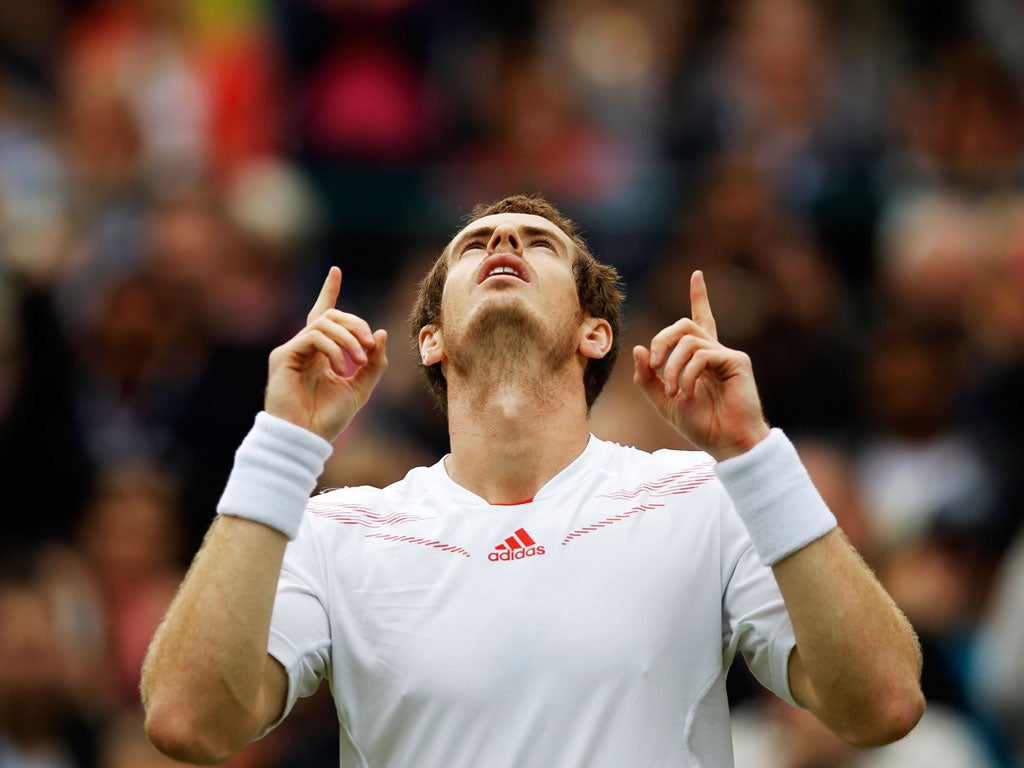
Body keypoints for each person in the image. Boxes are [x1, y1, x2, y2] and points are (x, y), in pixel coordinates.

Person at [140, 194, 924, 767]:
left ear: (596, 333)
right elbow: (187, 721)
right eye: (474, 242)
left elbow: (881, 705)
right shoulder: (338, 528)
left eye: (538, 242)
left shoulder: (704, 497)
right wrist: (282, 444)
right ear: (431, 342)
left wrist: (754, 453)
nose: (504, 236)